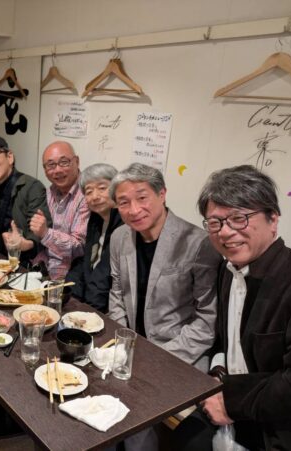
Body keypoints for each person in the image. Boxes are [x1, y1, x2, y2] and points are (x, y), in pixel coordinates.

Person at [173, 165, 291, 451]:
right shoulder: (228, 270)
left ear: (273, 219)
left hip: (278, 421)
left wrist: (231, 402)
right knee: (181, 438)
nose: (225, 232)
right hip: (229, 397)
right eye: (215, 222)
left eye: (238, 218)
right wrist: (218, 372)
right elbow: (226, 339)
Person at [108, 163, 221, 451]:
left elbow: (207, 321)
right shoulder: (119, 237)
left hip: (181, 353)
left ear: (162, 194)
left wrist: (156, 358)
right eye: (124, 202)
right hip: (132, 347)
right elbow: (117, 291)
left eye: (142, 197)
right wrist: (124, 343)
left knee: (135, 406)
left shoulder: (198, 243)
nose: (134, 209)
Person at [0, 135, 51, 264]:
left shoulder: (32, 187)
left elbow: (41, 231)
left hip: (27, 263)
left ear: (9, 157)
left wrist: (26, 243)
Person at [66, 163, 123, 312]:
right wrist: (71, 296)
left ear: (117, 188)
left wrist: (89, 312)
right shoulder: (96, 218)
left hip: (108, 308)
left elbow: (105, 274)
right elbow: (86, 262)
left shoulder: (124, 224)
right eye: (89, 191)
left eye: (102, 188)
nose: (95, 196)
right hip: (88, 301)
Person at [30, 141, 90, 280]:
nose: (57, 170)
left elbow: (79, 247)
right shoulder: (49, 192)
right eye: (51, 165)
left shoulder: (87, 194)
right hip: (42, 269)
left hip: (69, 278)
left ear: (77, 161)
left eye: (64, 162)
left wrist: (46, 233)